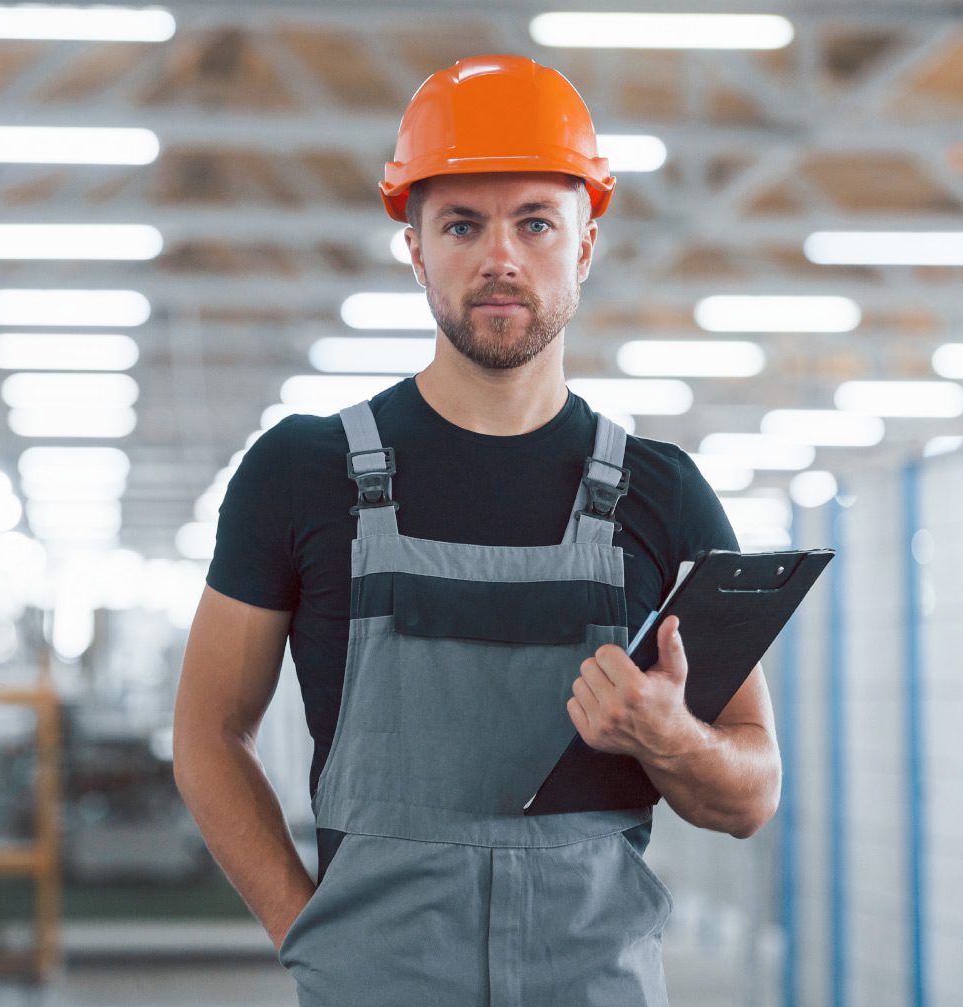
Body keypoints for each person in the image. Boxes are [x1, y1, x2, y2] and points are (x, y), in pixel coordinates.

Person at [173, 54, 781, 1006]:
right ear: (415, 247)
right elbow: (209, 733)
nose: (501, 256)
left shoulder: (665, 497)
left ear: (584, 244)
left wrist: (673, 739)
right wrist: (311, 936)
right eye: (462, 224)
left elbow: (750, 792)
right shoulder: (303, 473)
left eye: (536, 221)